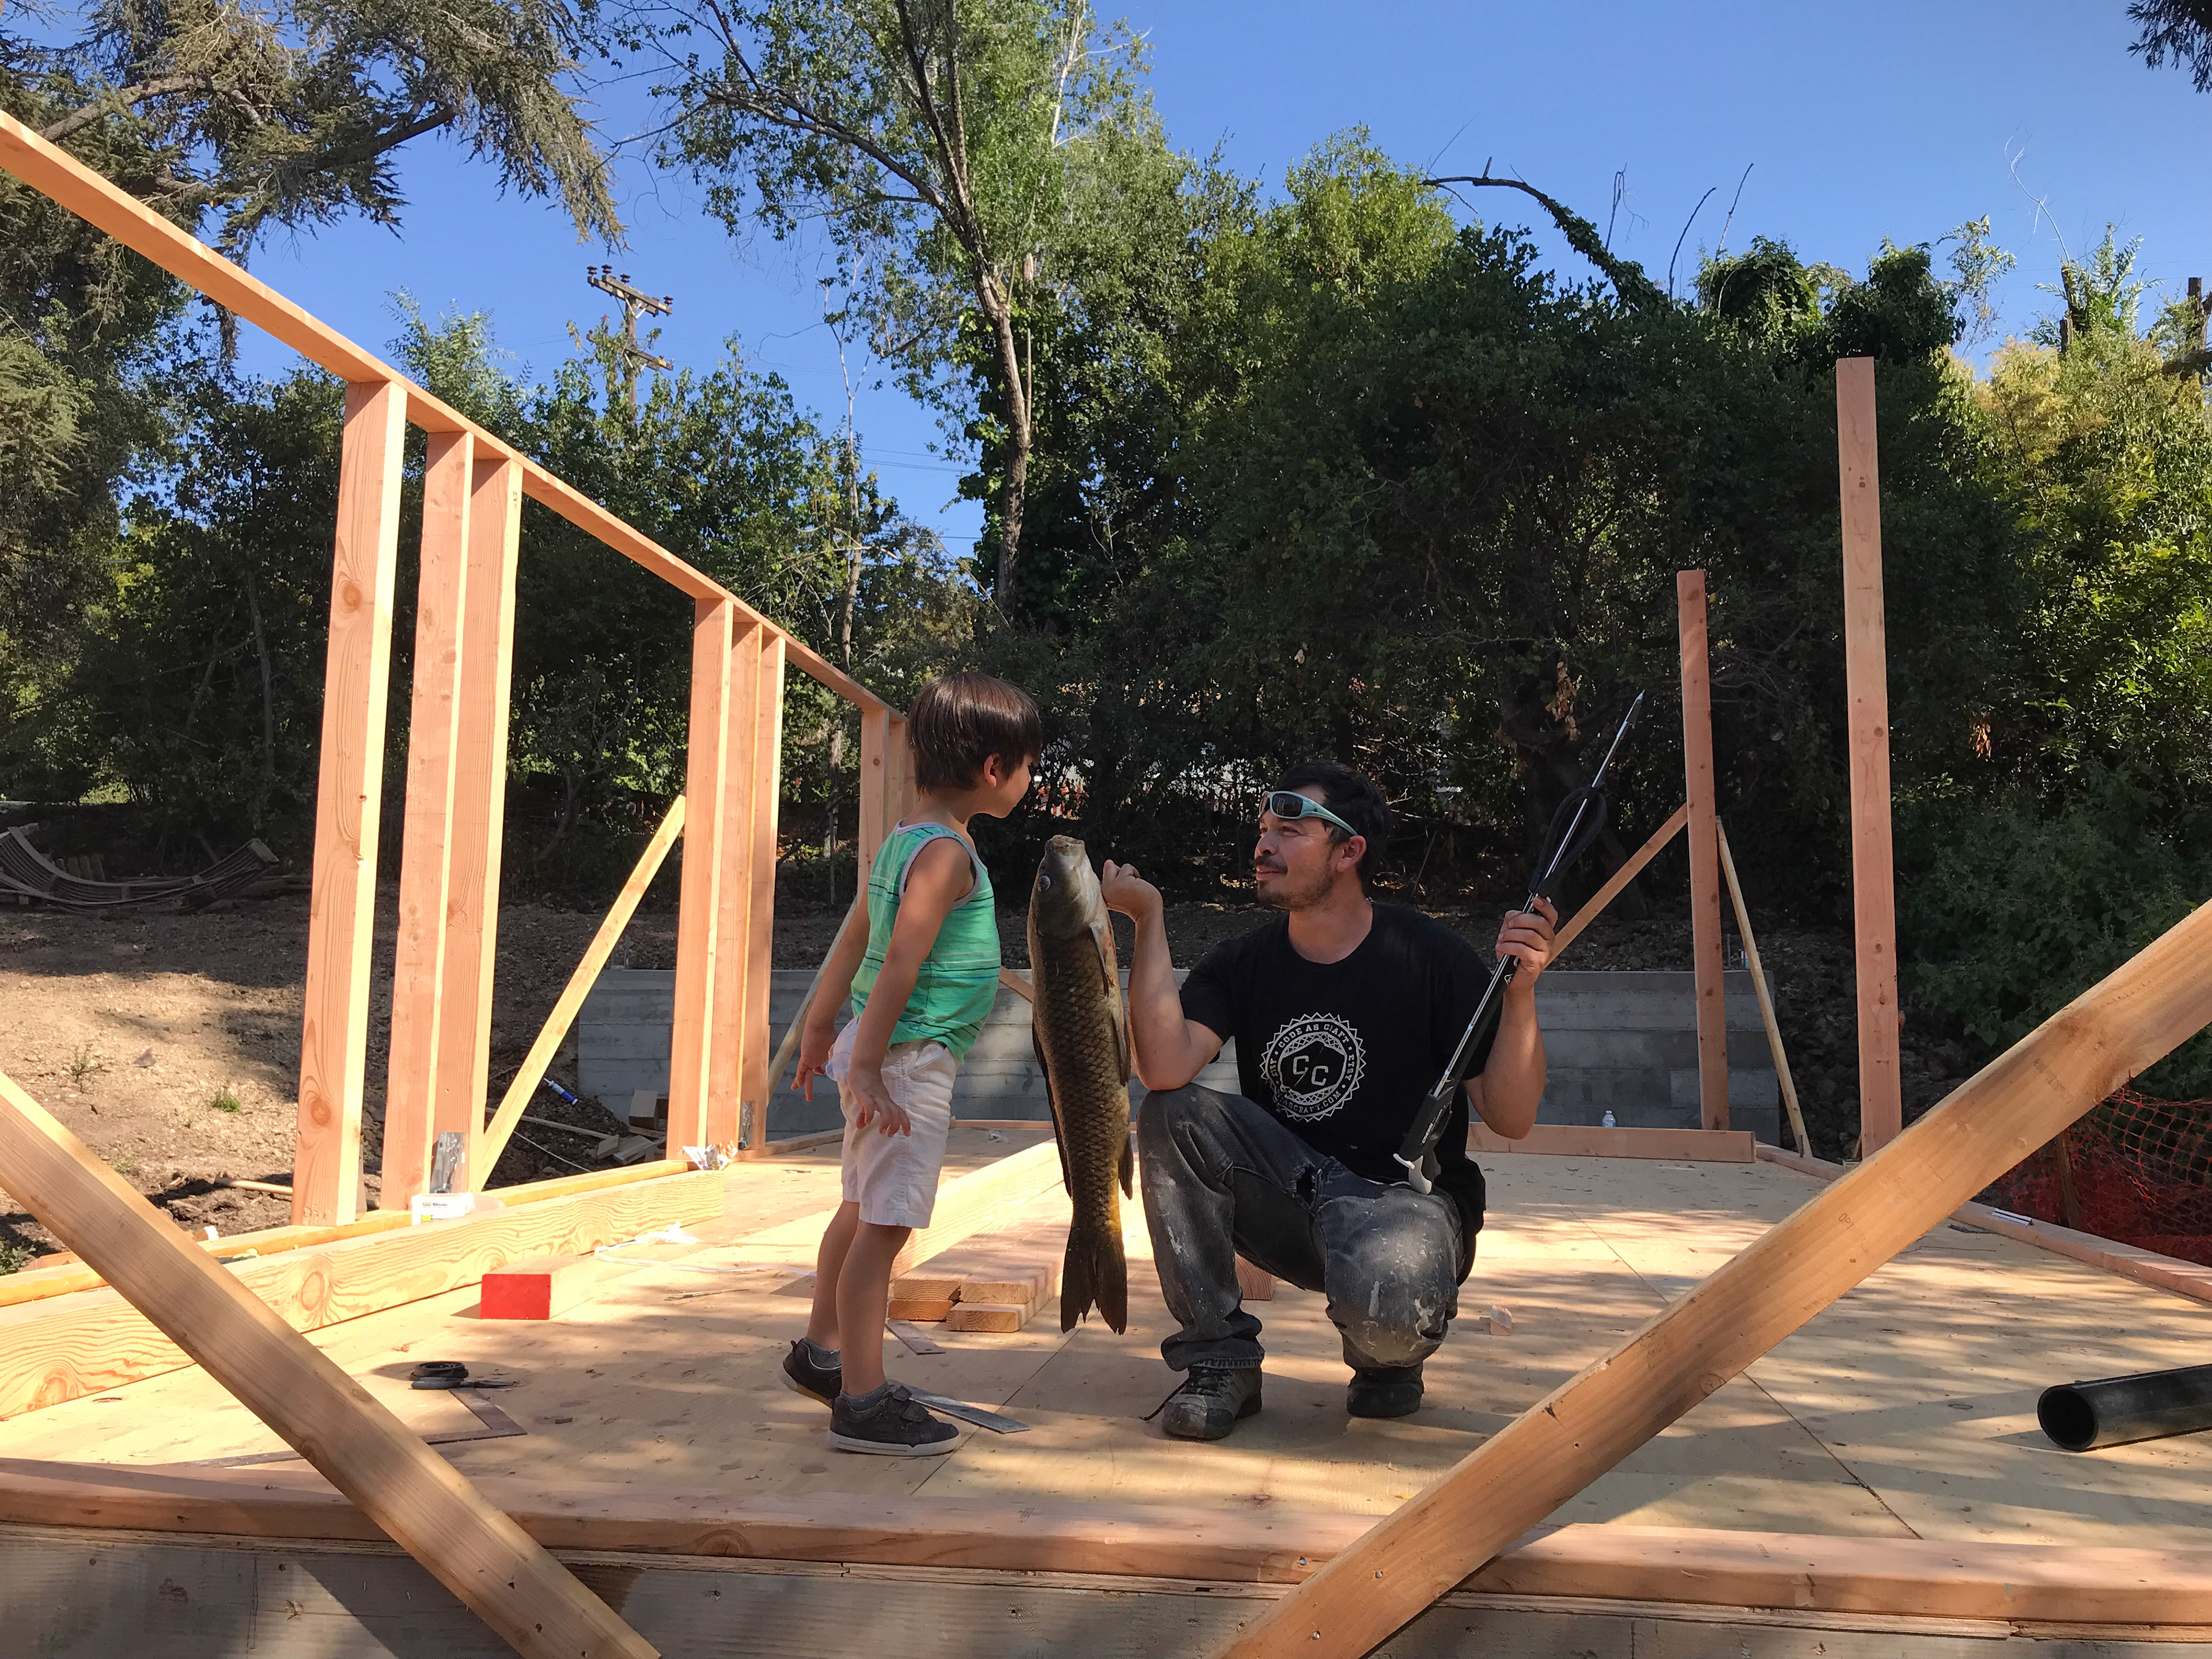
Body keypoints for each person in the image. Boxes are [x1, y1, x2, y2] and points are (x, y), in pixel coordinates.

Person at [1100, 761, 1556, 1441]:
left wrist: (1520, 997)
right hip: (1294, 1198)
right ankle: (1220, 1361)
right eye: (1263, 830)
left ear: (1349, 853)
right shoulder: (1242, 963)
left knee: (1390, 1324)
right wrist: (1149, 920)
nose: (1264, 845)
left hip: (1405, 1208)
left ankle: (1385, 1356)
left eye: (1289, 831)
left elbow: (1512, 1116)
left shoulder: (1429, 957)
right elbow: (1162, 1068)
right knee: (1172, 1112)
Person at [782, 671, 1040, 1455]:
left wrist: (820, 1029)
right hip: (906, 1061)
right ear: (994, 769)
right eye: (1029, 765)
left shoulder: (904, 840)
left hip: (883, 1053)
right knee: (885, 1229)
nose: (1031, 778)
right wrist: (864, 1066)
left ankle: (822, 1352)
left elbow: (855, 938)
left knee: (859, 1207)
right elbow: (899, 960)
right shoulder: (948, 856)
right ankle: (863, 1401)